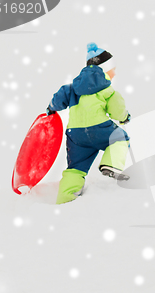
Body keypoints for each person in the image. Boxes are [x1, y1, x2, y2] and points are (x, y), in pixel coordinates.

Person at [46, 42, 132, 204]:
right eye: (112, 69)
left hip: (76, 135)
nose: (114, 72)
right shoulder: (107, 89)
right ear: (104, 69)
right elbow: (117, 108)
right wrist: (124, 117)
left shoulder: (72, 88)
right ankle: (110, 165)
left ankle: (66, 197)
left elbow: (58, 100)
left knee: (76, 167)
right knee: (120, 138)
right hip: (99, 128)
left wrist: (51, 108)